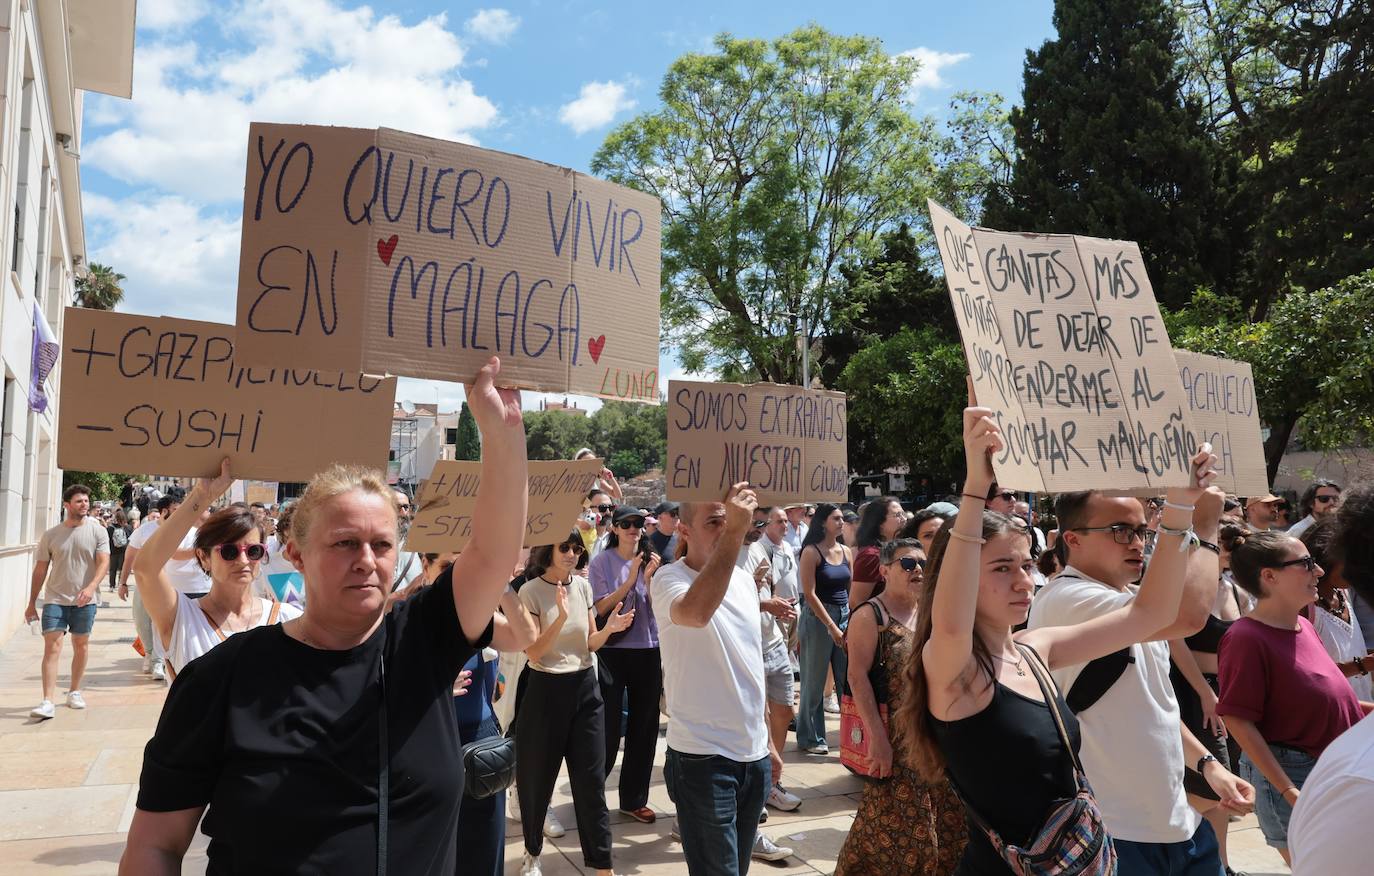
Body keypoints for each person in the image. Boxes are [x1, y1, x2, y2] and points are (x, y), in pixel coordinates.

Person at [119, 356, 527, 875]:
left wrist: (504, 429)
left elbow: (492, 552)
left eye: (381, 544)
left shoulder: (425, 642)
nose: (365, 559)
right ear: (294, 554)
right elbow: (155, 846)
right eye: (344, 542)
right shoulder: (220, 680)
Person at [899, 387, 1243, 875]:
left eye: (1024, 566)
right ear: (961, 579)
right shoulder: (954, 668)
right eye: (1001, 569)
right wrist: (975, 487)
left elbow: (1149, 616)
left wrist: (1180, 509)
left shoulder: (1035, 651)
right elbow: (952, 620)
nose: (1023, 581)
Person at [1031, 484, 1256, 874]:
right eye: (1120, 530)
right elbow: (1187, 616)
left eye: (1140, 531)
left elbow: (1156, 705)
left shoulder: (1135, 604)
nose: (1136, 543)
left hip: (1180, 826)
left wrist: (1207, 766)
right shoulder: (1067, 599)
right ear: (1072, 540)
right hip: (1114, 832)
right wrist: (1202, 525)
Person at [653, 485, 789, 875]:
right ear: (684, 531)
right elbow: (695, 613)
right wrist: (734, 535)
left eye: (729, 521)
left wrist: (767, 740)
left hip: (753, 757)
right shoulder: (667, 579)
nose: (725, 528)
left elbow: (750, 665)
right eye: (714, 521)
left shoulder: (745, 582)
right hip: (702, 760)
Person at [1217, 529, 1368, 866]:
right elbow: (1238, 719)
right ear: (1269, 576)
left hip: (1326, 769)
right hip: (1294, 776)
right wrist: (1288, 791)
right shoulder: (1246, 637)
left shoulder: (1304, 626)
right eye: (1306, 564)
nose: (1318, 572)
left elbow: (1319, 702)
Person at [835, 538, 967, 875]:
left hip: (938, 736)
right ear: (885, 570)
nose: (918, 570)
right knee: (891, 831)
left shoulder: (931, 611)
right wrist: (877, 739)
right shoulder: (870, 615)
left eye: (922, 563)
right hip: (897, 742)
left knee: (947, 824)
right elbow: (857, 677)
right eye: (908, 564)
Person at [401, 551, 537, 876]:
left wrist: (502, 585)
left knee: (483, 850)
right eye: (446, 567)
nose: (454, 578)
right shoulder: (403, 618)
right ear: (425, 565)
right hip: (425, 745)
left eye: (461, 568)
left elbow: (525, 638)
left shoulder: (477, 614)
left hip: (479, 750)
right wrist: (432, 688)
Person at [514, 532, 633, 876]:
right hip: (545, 690)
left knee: (591, 783)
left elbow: (589, 644)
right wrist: (561, 617)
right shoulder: (530, 591)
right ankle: (532, 853)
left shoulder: (582, 587)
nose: (570, 553)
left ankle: (602, 866)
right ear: (547, 551)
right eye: (563, 547)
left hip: (585, 689)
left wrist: (610, 628)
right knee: (538, 780)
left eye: (576, 548)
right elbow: (534, 651)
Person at [132, 462, 302, 678]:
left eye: (253, 551)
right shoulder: (182, 619)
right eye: (229, 551)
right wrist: (201, 496)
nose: (243, 560)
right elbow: (146, 568)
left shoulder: (289, 619)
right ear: (204, 557)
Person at [1288, 482, 1374, 872]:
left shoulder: (1344, 598)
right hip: (1342, 718)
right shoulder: (1357, 784)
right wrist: (1362, 668)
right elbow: (1313, 678)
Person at [586, 506, 664, 824]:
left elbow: (662, 608)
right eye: (627, 524)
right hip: (614, 651)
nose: (634, 529)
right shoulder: (602, 562)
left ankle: (633, 799)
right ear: (615, 528)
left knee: (645, 729)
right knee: (607, 729)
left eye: (639, 524)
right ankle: (591, 796)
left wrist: (648, 579)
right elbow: (601, 607)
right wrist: (631, 578)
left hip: (649, 648)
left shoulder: (654, 561)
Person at [736, 506, 802, 815]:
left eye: (765, 522)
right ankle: (761, 786)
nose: (761, 527)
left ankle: (772, 780)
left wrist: (780, 610)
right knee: (759, 717)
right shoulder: (728, 553)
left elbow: (767, 587)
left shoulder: (760, 548)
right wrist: (766, 604)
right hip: (749, 645)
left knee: (785, 710)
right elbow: (727, 599)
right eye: (757, 521)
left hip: (774, 640)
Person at [26, 484, 110, 719]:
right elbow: (40, 570)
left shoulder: (98, 532)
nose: (84, 505)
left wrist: (91, 587)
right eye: (79, 501)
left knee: (81, 644)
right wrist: (32, 603)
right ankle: (47, 701)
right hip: (55, 598)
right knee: (52, 647)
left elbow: (103, 563)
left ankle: (74, 691)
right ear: (67, 505)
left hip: (86, 600)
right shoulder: (51, 534)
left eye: (86, 501)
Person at [796, 503, 852, 755]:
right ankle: (811, 737)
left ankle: (852, 735)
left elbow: (848, 590)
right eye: (836, 518)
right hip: (818, 617)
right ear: (822, 522)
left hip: (844, 614)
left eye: (842, 519)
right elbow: (809, 593)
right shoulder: (811, 551)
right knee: (814, 679)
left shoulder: (846, 551)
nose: (841, 523)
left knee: (847, 678)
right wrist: (831, 627)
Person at [1300, 520, 1372, 700]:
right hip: (1332, 715)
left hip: (1361, 710)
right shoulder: (1304, 607)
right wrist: (1364, 665)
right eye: (1351, 563)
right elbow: (1305, 675)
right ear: (1324, 558)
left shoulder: (1343, 593)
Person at [848, 496, 905, 609]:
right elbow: (856, 602)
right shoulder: (871, 556)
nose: (904, 519)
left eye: (903, 513)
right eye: (897, 515)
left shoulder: (899, 550)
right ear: (880, 523)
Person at [107, 509, 132, 592]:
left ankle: (112, 586)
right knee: (122, 568)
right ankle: (120, 584)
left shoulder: (110, 528)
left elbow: (108, 539)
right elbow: (130, 539)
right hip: (124, 550)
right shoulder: (128, 527)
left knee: (112, 569)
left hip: (113, 551)